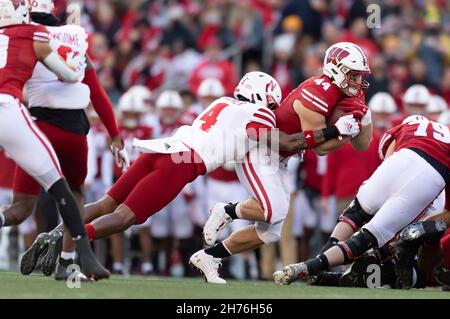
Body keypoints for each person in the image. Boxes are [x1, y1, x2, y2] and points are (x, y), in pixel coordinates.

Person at [25, 71, 361, 278]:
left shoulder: (222, 102)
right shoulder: (257, 112)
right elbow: (283, 140)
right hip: (182, 163)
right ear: (265, 98)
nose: (274, 111)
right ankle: (69, 237)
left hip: (165, 148)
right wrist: (333, 131)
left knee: (105, 202)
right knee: (126, 217)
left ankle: (57, 230)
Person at [193, 42, 372, 284]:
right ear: (336, 70)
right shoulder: (316, 92)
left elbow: (363, 145)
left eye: (361, 75)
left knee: (270, 233)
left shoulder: (352, 93)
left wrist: (364, 120)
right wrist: (343, 132)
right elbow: (319, 148)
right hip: (262, 150)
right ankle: (226, 210)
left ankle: (209, 257)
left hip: (283, 157)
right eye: (353, 74)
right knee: (271, 210)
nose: (358, 81)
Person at [274, 115, 450, 288]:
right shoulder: (440, 136)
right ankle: (313, 268)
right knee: (371, 238)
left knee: (356, 213)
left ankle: (316, 264)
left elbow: (387, 159)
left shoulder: (408, 126)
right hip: (431, 178)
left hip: (402, 159)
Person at [0, 0, 108, 280]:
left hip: (29, 114)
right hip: (12, 110)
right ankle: (81, 259)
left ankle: (74, 262)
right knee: (63, 191)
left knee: (22, 207)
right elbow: (70, 74)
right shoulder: (32, 34)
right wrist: (77, 58)